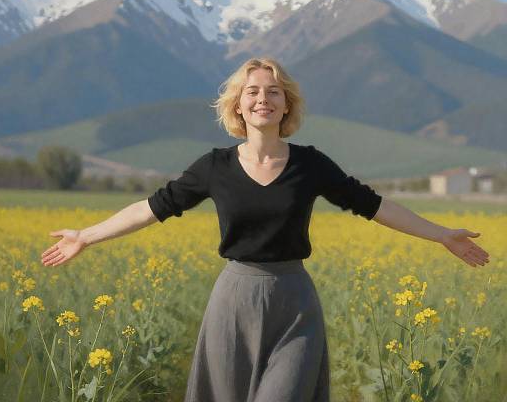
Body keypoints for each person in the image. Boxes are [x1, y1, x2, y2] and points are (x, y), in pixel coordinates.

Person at [41, 57, 490, 402]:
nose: (263, 99)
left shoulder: (310, 163)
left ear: (286, 105)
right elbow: (151, 209)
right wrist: (86, 235)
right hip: (233, 301)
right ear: (238, 104)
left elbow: (374, 206)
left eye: (274, 92)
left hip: (295, 304)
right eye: (253, 91)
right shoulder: (214, 167)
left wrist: (441, 234)